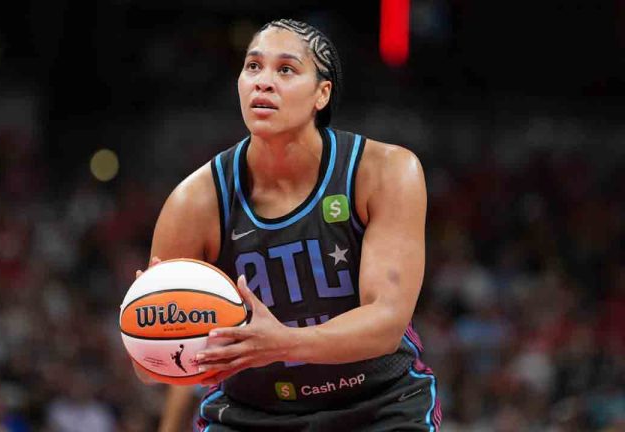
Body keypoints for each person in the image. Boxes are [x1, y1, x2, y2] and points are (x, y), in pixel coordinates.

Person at [133, 18, 441, 431]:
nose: (263, 82)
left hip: (379, 403)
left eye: (286, 70)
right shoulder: (195, 201)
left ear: (322, 93)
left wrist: (281, 343)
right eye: (253, 66)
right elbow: (149, 369)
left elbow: (385, 321)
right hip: (250, 413)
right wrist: (154, 334)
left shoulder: (384, 171)